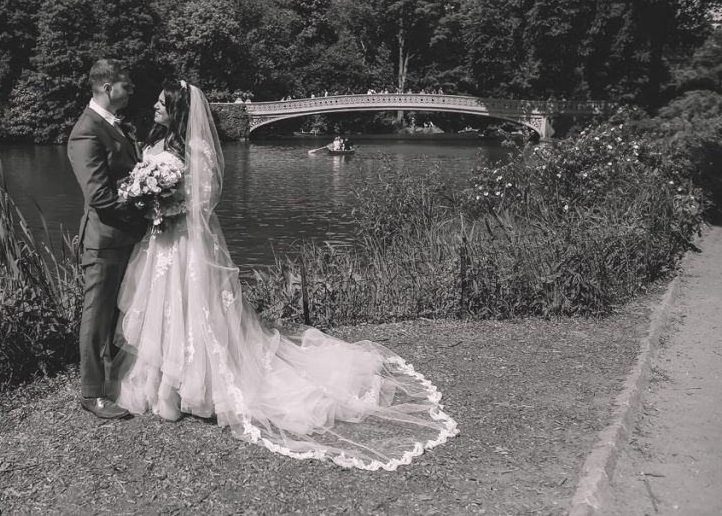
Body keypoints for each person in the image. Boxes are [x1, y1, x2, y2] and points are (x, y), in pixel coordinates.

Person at [112, 78, 458, 470]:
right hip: (160, 246)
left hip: (190, 245)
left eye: (161, 102)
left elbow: (203, 203)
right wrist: (147, 202)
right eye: (156, 101)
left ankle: (192, 389)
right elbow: (148, 192)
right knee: (164, 312)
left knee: (196, 313)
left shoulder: (198, 151)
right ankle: (163, 386)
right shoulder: (153, 146)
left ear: (177, 110)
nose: (154, 107)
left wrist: (166, 206)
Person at [67, 59, 147, 420]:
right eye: (125, 86)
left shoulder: (114, 126)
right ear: (106, 88)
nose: (130, 91)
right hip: (104, 240)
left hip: (125, 236)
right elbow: (100, 197)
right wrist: (146, 211)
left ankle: (114, 379)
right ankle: (92, 393)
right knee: (97, 317)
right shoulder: (87, 132)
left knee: (120, 312)